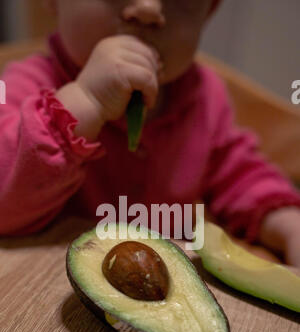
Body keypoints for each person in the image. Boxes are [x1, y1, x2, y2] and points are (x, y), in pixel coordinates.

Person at [0, 0, 299, 266]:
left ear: (209, 11)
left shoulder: (205, 97)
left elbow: (239, 174)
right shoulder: (26, 84)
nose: (149, 9)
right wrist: (87, 100)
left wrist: (287, 223)